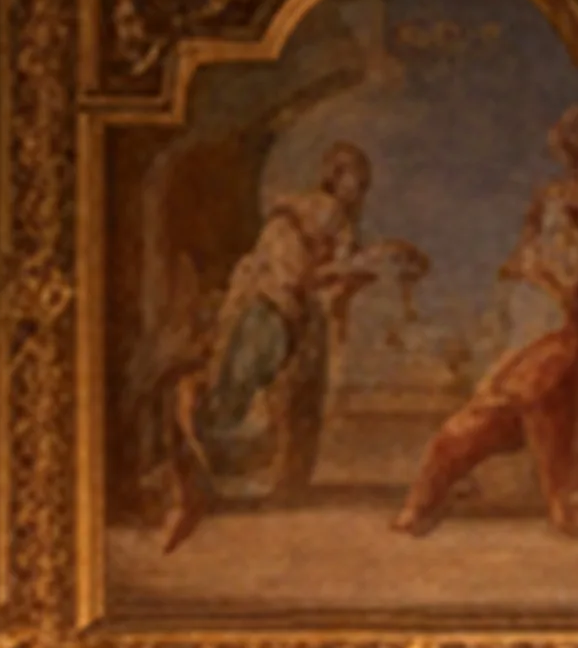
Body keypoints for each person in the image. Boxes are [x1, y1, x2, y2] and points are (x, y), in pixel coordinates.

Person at [394, 109, 578, 540]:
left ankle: (550, 507)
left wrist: (549, 277)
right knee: (486, 419)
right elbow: (541, 279)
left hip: (560, 341)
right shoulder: (553, 226)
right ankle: (422, 503)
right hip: (537, 339)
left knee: (537, 416)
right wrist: (539, 274)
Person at [157, 141, 401, 550]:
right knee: (240, 388)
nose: (357, 192)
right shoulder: (297, 218)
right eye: (352, 181)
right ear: (334, 177)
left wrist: (355, 272)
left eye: (363, 184)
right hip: (267, 311)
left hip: (295, 319)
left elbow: (330, 275)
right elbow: (295, 274)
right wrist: (355, 266)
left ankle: (262, 475)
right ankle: (210, 469)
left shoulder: (337, 222)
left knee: (282, 395)